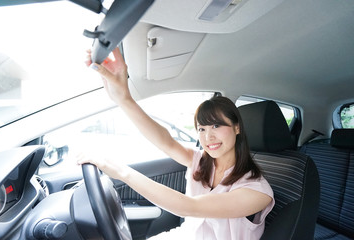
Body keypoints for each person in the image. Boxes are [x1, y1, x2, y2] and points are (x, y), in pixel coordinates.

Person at [77, 48, 274, 240]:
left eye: (216, 125)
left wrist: (120, 171)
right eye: (202, 129)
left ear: (237, 128)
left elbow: (190, 207)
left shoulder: (257, 191)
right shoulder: (201, 162)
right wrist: (125, 100)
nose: (208, 137)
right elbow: (166, 142)